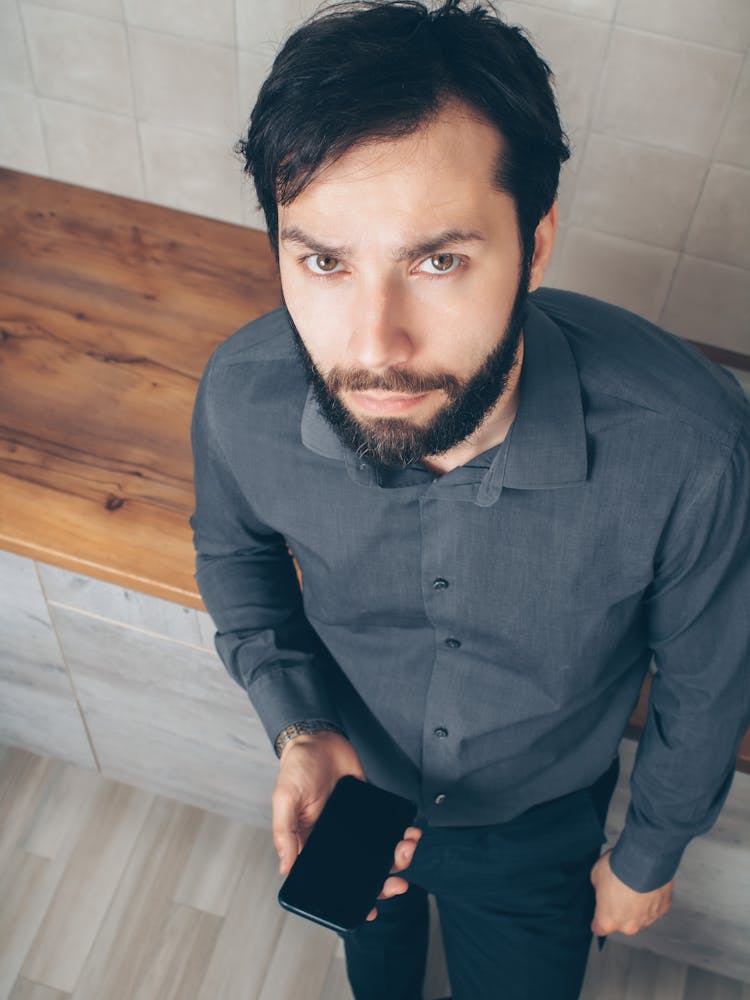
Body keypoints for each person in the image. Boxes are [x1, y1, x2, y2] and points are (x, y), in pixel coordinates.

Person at [190, 2, 750, 997]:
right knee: (378, 976)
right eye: (323, 260)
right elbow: (236, 564)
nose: (374, 345)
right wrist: (300, 727)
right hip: (353, 792)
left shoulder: (687, 447)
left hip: (542, 826)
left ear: (534, 245)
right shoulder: (242, 397)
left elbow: (708, 676)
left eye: (437, 259)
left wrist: (648, 850)